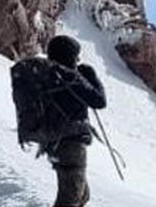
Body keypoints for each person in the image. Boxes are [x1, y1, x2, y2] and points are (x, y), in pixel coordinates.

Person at [42, 35, 108, 207]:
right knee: (70, 198)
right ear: (69, 55)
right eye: (76, 55)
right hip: (71, 144)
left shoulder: (47, 75)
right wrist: (91, 76)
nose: (78, 60)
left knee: (81, 195)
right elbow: (99, 101)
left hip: (53, 140)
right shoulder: (70, 77)